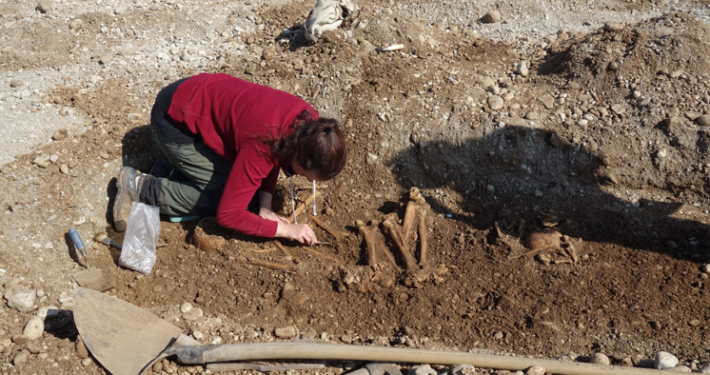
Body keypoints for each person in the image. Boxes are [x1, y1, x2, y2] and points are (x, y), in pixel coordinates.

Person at [112, 73, 347, 245]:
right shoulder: (263, 142)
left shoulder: (311, 125)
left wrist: (265, 206)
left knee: (246, 192)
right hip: (173, 120)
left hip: (194, 96)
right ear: (300, 155)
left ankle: (173, 172)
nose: (299, 177)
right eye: (304, 174)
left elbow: (278, 152)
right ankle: (139, 187)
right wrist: (285, 231)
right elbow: (228, 215)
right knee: (221, 199)